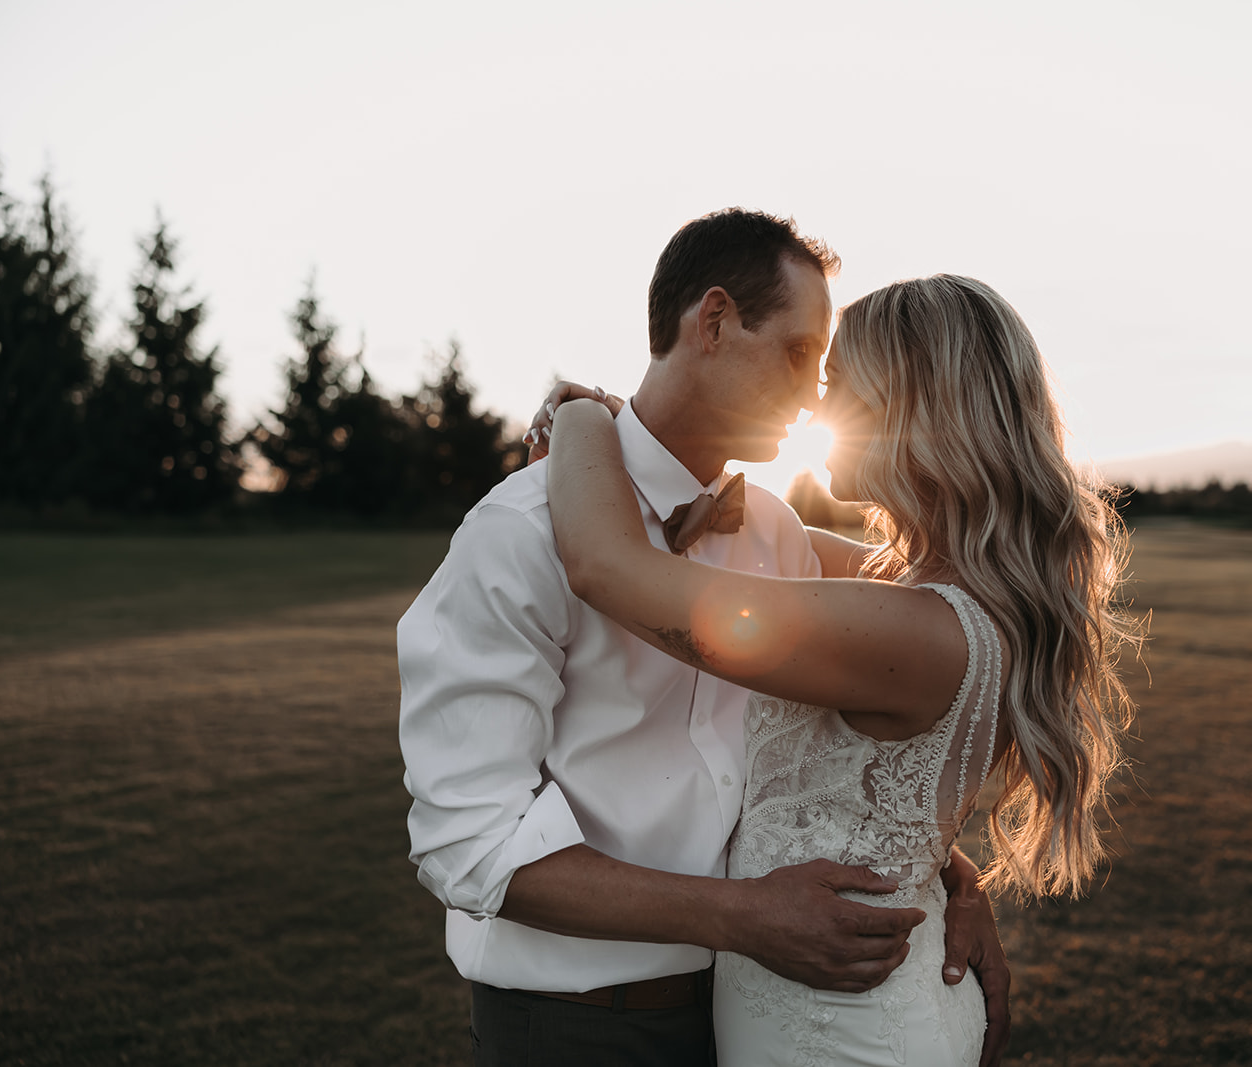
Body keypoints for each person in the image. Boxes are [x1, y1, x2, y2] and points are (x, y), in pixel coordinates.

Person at [397, 210, 1011, 1067]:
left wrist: (945, 876)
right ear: (713, 322)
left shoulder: (778, 534)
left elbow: (865, 753)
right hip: (574, 1025)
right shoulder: (518, 534)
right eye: (799, 354)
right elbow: (472, 844)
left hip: (757, 1013)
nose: (813, 396)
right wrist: (743, 915)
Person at [538, 273, 1138, 1066]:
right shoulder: (943, 594)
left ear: (914, 409)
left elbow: (608, 565)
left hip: (842, 1034)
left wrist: (581, 415)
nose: (817, 411)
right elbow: (758, 532)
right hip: (866, 998)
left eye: (840, 386)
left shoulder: (910, 628)